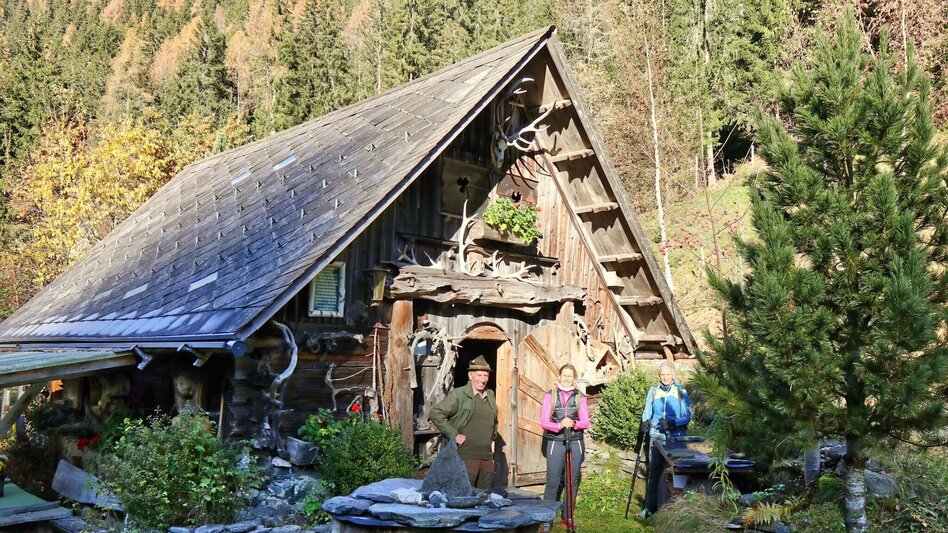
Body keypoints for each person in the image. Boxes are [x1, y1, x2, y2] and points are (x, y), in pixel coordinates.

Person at [429, 355, 498, 490]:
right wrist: (454, 435)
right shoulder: (459, 394)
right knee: (463, 496)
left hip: (486, 457)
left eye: (485, 375)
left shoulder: (490, 394)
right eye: (479, 375)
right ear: (470, 376)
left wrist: (493, 437)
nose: (483, 380)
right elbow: (435, 413)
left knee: (484, 497)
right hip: (466, 456)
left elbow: (493, 420)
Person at [539, 363, 590, 531]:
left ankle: (567, 517)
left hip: (575, 442)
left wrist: (573, 423)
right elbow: (544, 422)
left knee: (572, 481)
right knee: (553, 482)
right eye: (564, 375)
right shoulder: (550, 396)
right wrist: (559, 425)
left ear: (574, 379)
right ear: (559, 376)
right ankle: (546, 519)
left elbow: (585, 421)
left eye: (570, 375)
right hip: (555, 442)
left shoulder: (580, 397)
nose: (567, 378)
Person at [639, 362, 691, 518]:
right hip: (656, 437)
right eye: (663, 374)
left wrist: (674, 423)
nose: (665, 377)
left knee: (675, 472)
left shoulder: (681, 391)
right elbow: (646, 413)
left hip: (675, 438)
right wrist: (645, 423)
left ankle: (672, 510)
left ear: (673, 374)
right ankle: (650, 508)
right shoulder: (653, 391)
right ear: (659, 375)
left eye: (668, 374)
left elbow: (687, 417)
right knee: (654, 473)